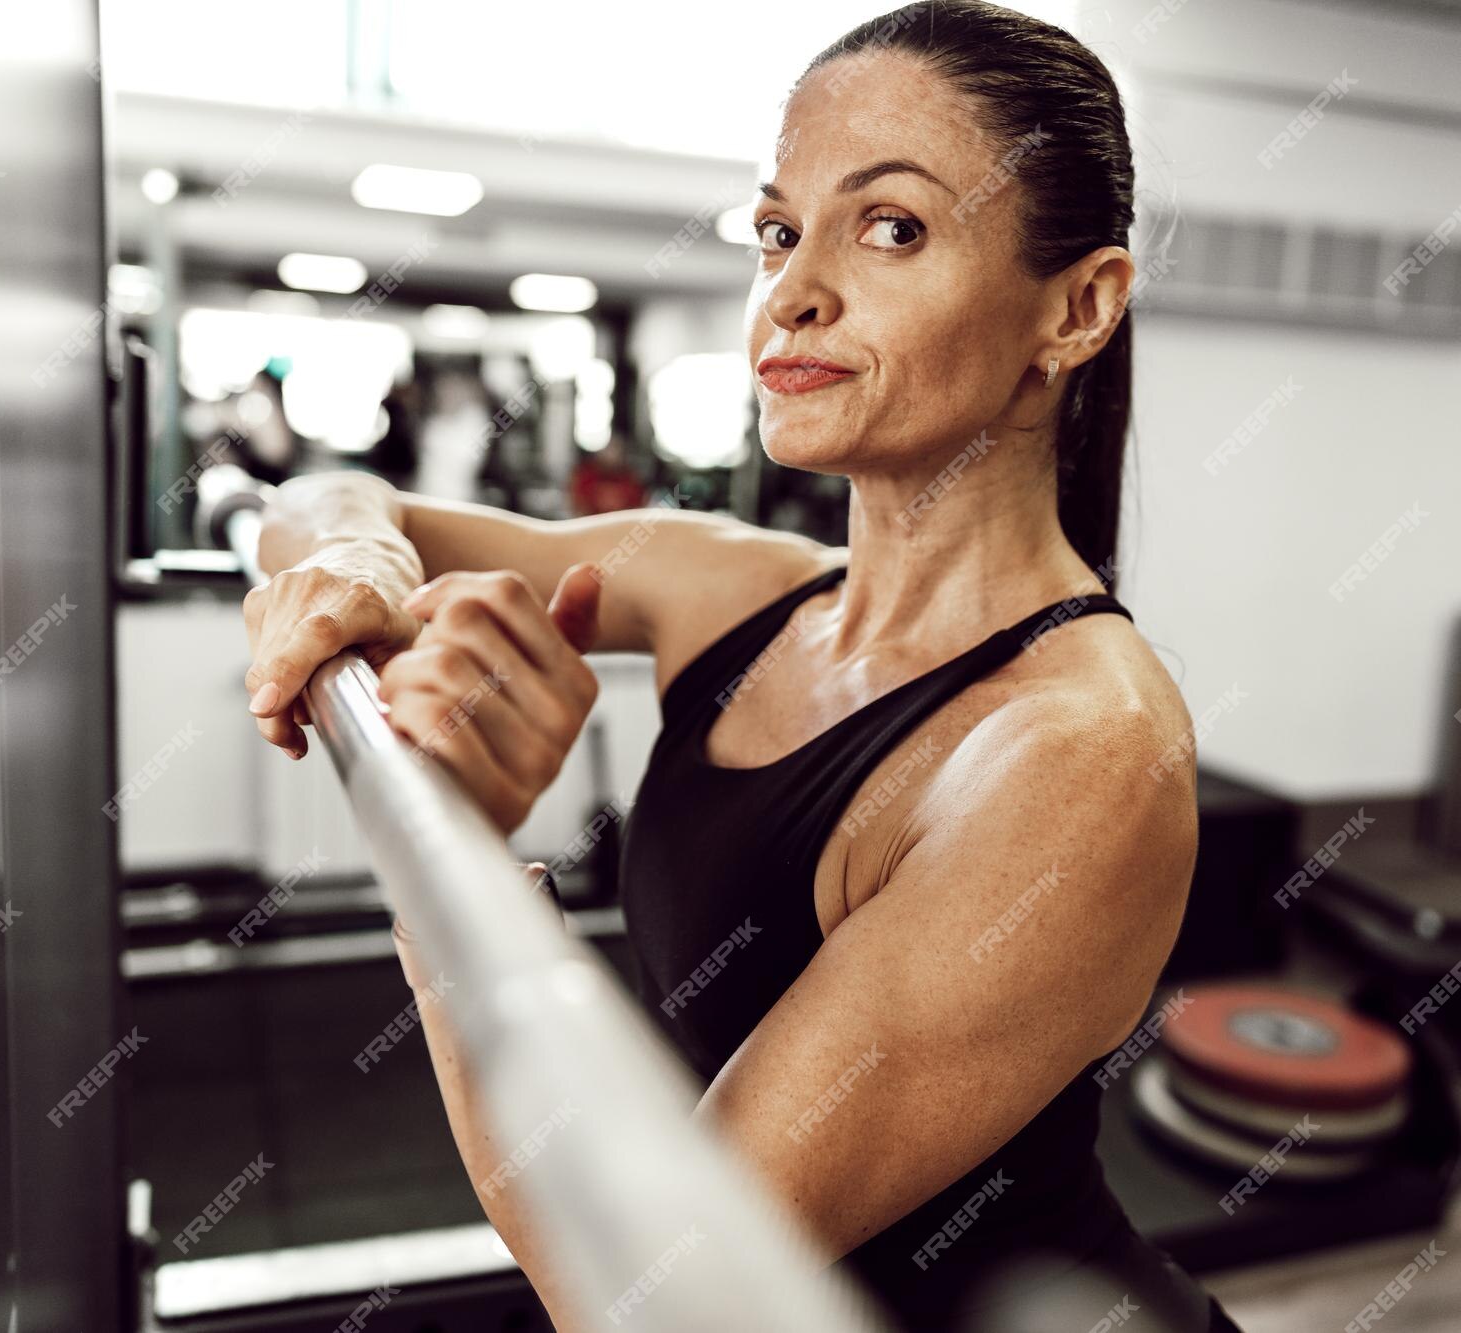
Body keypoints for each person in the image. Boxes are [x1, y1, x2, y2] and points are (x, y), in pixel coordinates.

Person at [239, 4, 1240, 1329]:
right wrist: (363, 571)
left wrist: (454, 870)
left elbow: (642, 1293)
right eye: (779, 231)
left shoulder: (1078, 752)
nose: (791, 292)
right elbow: (319, 494)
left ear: (1080, 305)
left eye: (891, 227)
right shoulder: (741, 587)